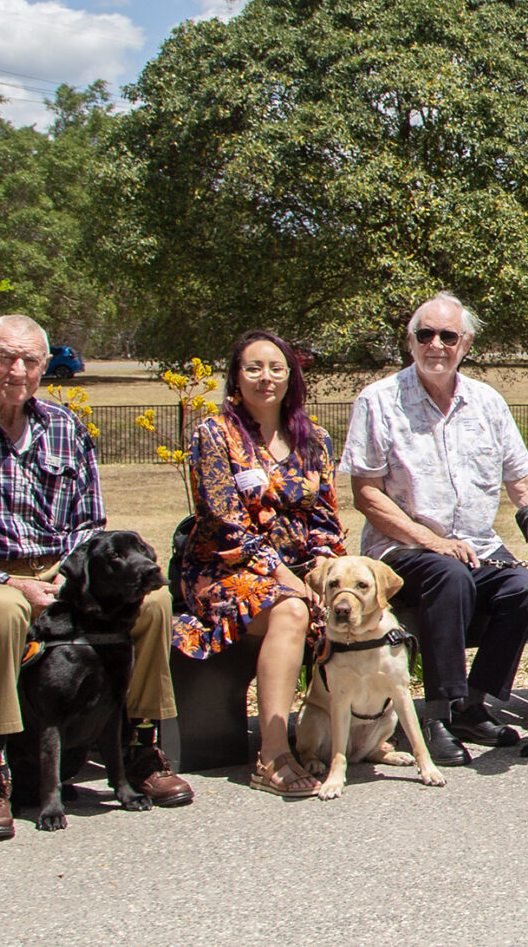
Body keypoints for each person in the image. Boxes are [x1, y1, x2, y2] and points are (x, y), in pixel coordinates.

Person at [0, 313, 191, 842]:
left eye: (30, 360)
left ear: (42, 366)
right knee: (7, 609)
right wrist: (9, 582)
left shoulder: (64, 427)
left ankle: (142, 746)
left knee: (153, 604)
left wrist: (65, 580)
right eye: (5, 357)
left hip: (58, 575)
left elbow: (88, 523)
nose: (17, 369)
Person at [344, 292, 528, 766]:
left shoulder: (487, 403)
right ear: (409, 342)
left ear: (465, 343)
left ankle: (474, 704)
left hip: (478, 549)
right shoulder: (379, 401)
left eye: (447, 335)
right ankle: (436, 715)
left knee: (522, 584)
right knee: (447, 575)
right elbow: (366, 493)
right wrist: (431, 540)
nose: (436, 344)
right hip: (403, 550)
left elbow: (523, 483)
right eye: (424, 334)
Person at [172, 329, 348, 797]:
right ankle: (272, 756)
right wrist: (288, 578)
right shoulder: (214, 434)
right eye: (253, 368)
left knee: (351, 599)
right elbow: (223, 521)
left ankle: (352, 738)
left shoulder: (315, 439)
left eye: (275, 368)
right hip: (223, 569)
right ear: (235, 378)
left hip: (298, 572)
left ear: (291, 377)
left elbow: (325, 518)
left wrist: (326, 572)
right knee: (291, 608)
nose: (265, 378)